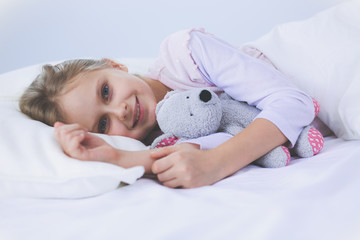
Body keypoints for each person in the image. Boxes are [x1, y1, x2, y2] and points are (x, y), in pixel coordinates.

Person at [19, 28, 315, 188]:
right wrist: (113, 156)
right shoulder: (161, 137)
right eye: (103, 125)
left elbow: (294, 103)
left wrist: (217, 164)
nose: (118, 111)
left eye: (106, 91)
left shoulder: (185, 55)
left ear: (115, 65)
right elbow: (215, 142)